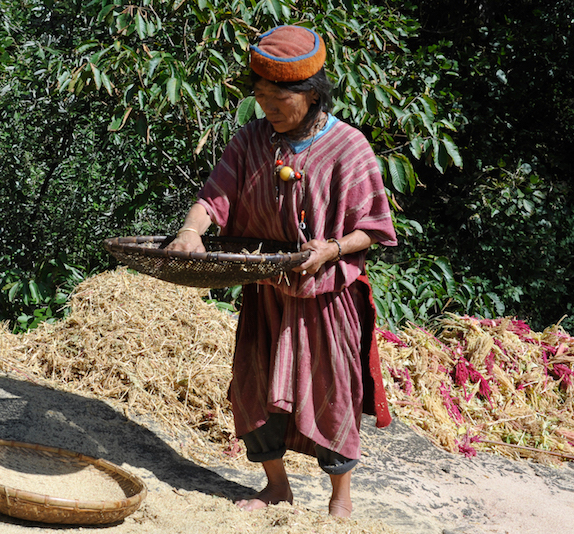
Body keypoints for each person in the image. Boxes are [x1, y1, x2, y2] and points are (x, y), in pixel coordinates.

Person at [167, 25, 397, 517]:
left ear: (312, 96)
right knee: (252, 384)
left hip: (325, 295)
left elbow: (373, 227)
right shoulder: (252, 140)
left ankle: (341, 499)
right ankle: (276, 487)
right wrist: (191, 231)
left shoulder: (348, 147)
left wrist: (332, 248)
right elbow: (215, 196)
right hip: (267, 289)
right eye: (260, 95)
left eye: (278, 97)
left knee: (331, 390)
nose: (266, 107)